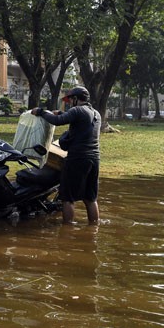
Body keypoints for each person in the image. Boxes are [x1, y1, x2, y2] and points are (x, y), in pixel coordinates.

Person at [31, 86, 101, 224]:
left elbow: (57, 121)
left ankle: (67, 229)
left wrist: (40, 111)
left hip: (78, 158)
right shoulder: (95, 113)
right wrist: (62, 113)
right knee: (90, 198)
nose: (69, 103)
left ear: (75, 99)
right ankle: (94, 227)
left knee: (67, 198)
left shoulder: (77, 110)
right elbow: (81, 123)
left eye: (70, 100)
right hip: (94, 159)